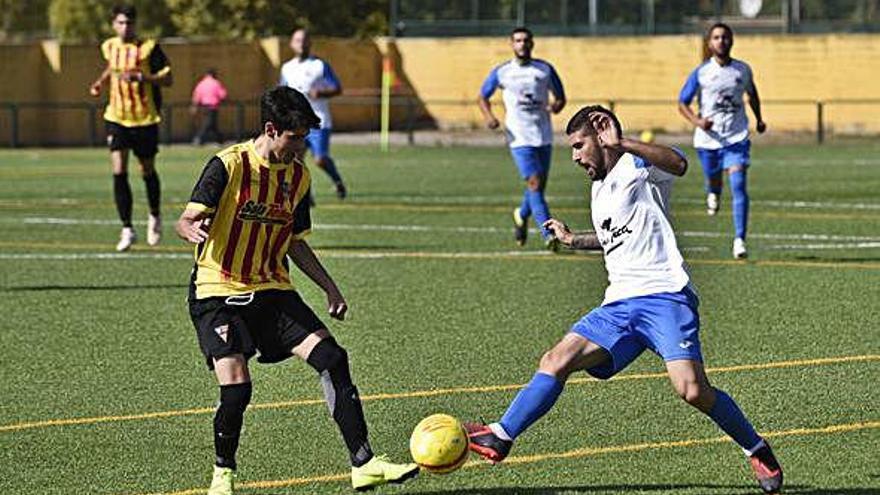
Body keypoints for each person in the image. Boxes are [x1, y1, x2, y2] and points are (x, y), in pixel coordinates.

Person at [464, 106, 783, 495]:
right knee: (555, 360)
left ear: (601, 137)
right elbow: (609, 237)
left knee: (693, 390)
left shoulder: (640, 167)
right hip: (618, 305)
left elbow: (680, 164)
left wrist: (625, 142)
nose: (576, 156)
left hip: (665, 296)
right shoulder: (598, 190)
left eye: (580, 146)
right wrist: (571, 239)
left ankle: (755, 446)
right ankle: (501, 435)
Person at [175, 87, 418, 494]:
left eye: (305, 137)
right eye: (295, 137)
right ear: (271, 129)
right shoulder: (228, 165)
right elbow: (185, 218)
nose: (302, 145)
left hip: (272, 289)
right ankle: (223, 475)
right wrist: (190, 229)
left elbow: (294, 241)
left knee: (332, 358)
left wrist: (330, 287)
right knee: (237, 388)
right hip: (218, 292)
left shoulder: (297, 177)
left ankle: (364, 463)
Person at [678, 22, 766, 259]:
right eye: (716, 37)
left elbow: (752, 94)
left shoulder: (742, 70)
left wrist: (759, 119)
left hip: (736, 137)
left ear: (732, 40)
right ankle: (713, 192)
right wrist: (698, 122)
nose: (721, 41)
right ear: (710, 43)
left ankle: (739, 240)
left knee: (738, 185)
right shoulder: (701, 73)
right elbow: (682, 102)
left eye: (725, 37)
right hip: (708, 140)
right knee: (714, 181)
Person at [89, 3, 172, 252]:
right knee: (118, 169)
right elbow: (111, 69)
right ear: (114, 24)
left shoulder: (149, 48)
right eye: (121, 23)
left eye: (130, 23)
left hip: (145, 118)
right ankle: (127, 228)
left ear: (136, 24)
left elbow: (168, 79)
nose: (126, 27)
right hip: (116, 117)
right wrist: (100, 82)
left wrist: (143, 77)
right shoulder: (109, 46)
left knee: (147, 169)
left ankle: (154, 215)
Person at [478, 26, 566, 250]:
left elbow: (560, 97)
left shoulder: (544, 69)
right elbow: (482, 97)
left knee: (538, 187)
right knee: (534, 182)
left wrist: (555, 106)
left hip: (543, 135)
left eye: (526, 40)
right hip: (518, 136)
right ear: (511, 44)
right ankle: (549, 234)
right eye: (517, 40)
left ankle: (521, 213)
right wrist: (489, 116)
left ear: (532, 43)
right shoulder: (503, 72)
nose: (522, 44)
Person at [279, 28, 347, 200]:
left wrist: (321, 94)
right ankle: (306, 195)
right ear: (292, 44)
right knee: (296, 160)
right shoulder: (287, 68)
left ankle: (337, 180)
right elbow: (283, 93)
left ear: (310, 43)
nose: (301, 43)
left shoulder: (319, 65)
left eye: (304, 40)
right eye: (297, 40)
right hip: (296, 123)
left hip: (319, 121)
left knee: (320, 159)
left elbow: (337, 88)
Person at [191, 68, 228, 145]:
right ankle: (199, 138)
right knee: (208, 123)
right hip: (213, 106)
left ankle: (220, 139)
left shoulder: (201, 83)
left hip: (204, 106)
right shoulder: (216, 83)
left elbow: (197, 95)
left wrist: (194, 106)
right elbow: (223, 95)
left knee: (212, 124)